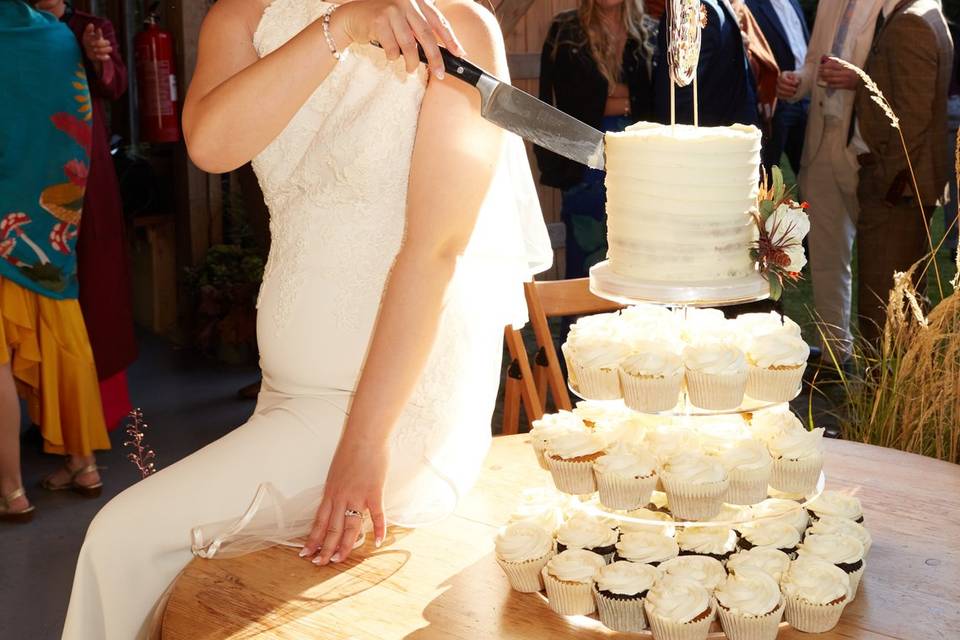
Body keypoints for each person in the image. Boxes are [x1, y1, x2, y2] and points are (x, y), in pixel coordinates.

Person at [62, 0, 552, 636]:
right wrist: (340, 28)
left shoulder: (456, 23)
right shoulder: (239, 18)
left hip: (399, 404)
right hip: (288, 396)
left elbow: (437, 247)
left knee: (120, 539)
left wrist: (364, 442)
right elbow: (212, 145)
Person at [0, 0, 109, 522]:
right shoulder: (60, 37)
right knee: (62, 321)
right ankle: (83, 463)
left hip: (3, 212)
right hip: (51, 209)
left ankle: (11, 490)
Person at [33, 0, 138, 429]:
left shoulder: (91, 28)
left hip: (85, 173)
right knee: (43, 285)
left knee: (98, 284)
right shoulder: (18, 30)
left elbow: (116, 87)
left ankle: (104, 412)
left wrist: (101, 59)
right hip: (33, 177)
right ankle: (55, 421)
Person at [776, 0, 883, 363]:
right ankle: (836, 355)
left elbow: (905, 73)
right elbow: (813, 64)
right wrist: (796, 83)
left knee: (880, 260)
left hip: (867, 147)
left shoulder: (901, 5)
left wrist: (858, 79)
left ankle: (882, 360)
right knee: (825, 256)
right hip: (822, 142)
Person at [854, 0, 953, 343]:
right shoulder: (919, 12)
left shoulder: (912, 23)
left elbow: (911, 121)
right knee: (903, 307)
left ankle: (881, 395)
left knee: (882, 313)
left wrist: (886, 181)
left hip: (899, 195)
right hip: (905, 190)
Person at [535, 0, 655, 279]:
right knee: (586, 263)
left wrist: (612, 97)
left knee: (636, 258)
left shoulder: (649, 32)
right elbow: (569, 105)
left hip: (639, 166)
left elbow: (652, 102)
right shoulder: (565, 32)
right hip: (584, 165)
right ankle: (578, 322)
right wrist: (624, 99)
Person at [653, 0, 759, 127]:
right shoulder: (695, 8)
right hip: (714, 139)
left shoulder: (714, 5)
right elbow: (679, 93)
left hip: (731, 133)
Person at [746, 0, 810, 173]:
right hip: (776, 103)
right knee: (767, 176)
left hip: (806, 99)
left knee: (808, 174)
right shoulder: (749, 6)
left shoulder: (794, 3)